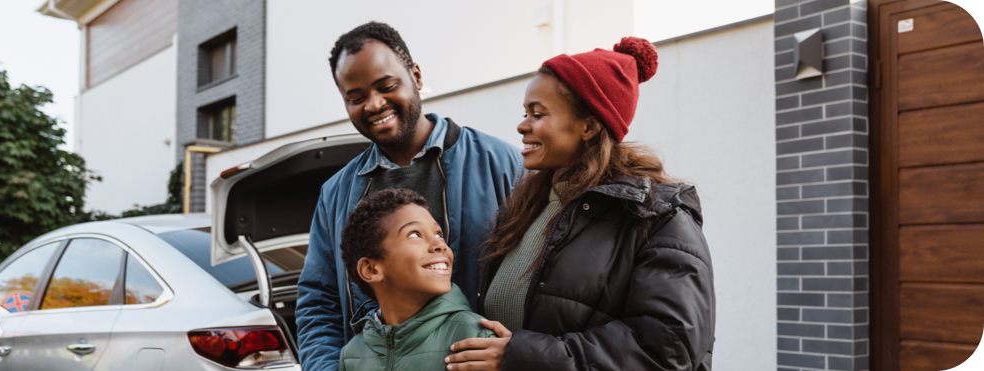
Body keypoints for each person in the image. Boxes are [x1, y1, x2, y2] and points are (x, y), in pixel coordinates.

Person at [445, 37, 717, 371]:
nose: (522, 125)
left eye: (537, 113)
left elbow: (669, 348)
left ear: (588, 127)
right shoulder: (525, 209)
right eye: (524, 113)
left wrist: (521, 357)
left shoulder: (657, 218)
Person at [295, 22, 523, 371]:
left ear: (416, 76)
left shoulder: (502, 163)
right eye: (355, 98)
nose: (373, 105)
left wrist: (519, 355)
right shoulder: (336, 193)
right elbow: (319, 301)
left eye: (386, 86)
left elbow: (546, 280)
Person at [338, 189, 496, 371]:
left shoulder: (476, 338)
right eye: (414, 234)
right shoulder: (351, 355)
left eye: (438, 234)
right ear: (371, 269)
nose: (440, 245)